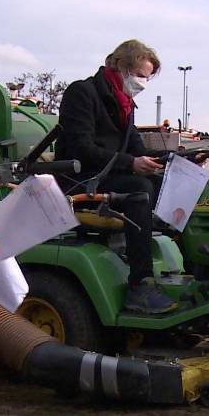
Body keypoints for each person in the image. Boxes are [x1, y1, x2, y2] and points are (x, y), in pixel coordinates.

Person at [56, 39, 175, 314]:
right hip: (81, 180)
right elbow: (81, 148)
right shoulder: (83, 93)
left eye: (147, 78)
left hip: (109, 176)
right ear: (121, 66)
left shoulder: (125, 103)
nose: (142, 83)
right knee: (140, 190)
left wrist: (166, 161)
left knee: (164, 184)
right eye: (139, 75)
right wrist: (132, 163)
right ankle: (139, 284)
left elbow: (136, 147)